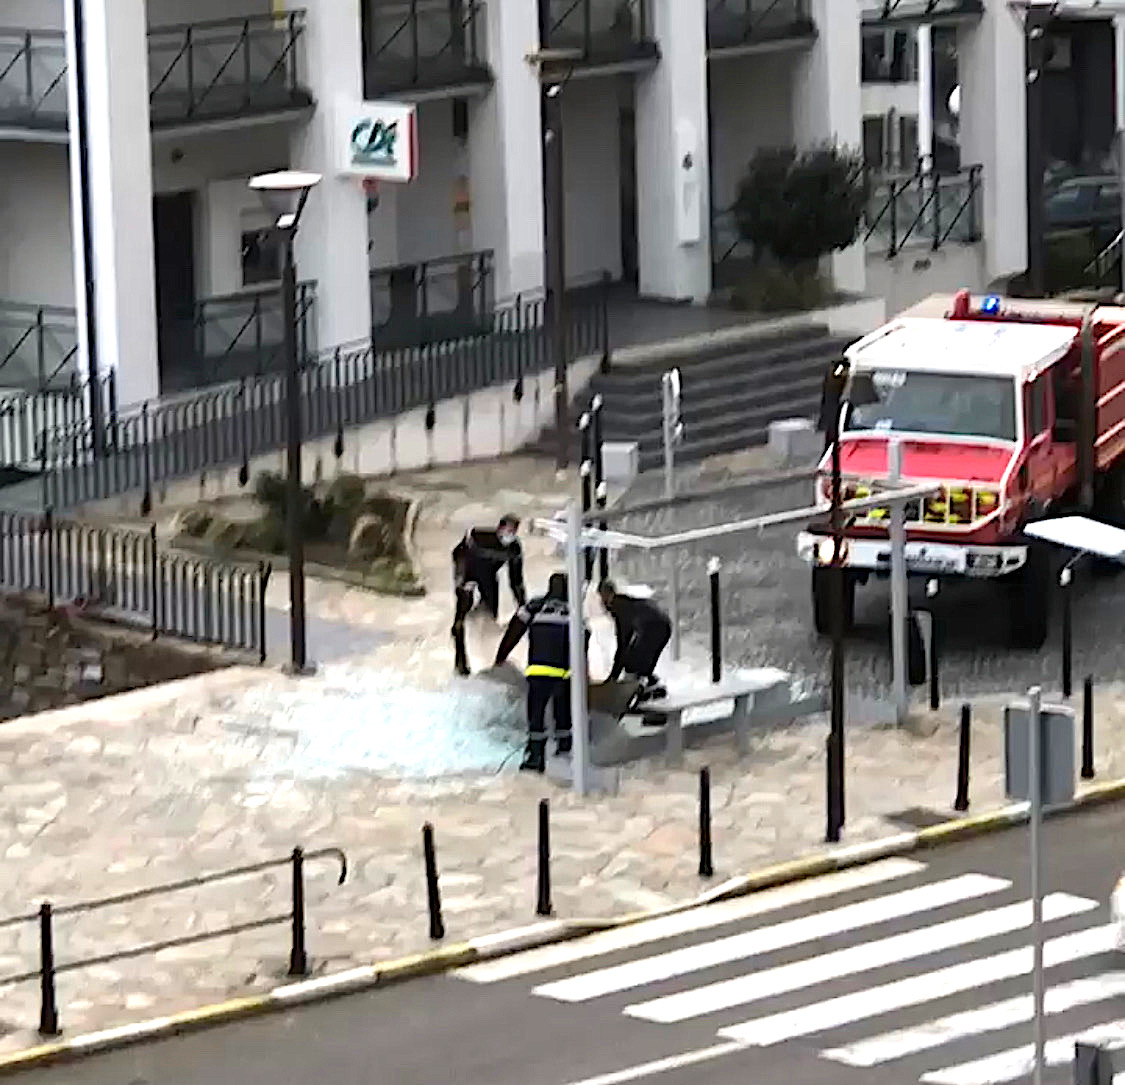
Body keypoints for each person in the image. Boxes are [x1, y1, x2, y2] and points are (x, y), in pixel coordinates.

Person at [494, 572, 574, 774]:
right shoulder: (574, 612)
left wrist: (501, 656)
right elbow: (583, 643)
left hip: (538, 671)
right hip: (563, 674)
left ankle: (535, 757)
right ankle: (566, 755)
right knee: (563, 713)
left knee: (536, 714)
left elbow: (515, 629)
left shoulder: (534, 606)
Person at [451, 514, 526, 676]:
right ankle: (460, 661)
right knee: (461, 617)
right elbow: (460, 557)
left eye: (514, 531)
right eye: (508, 530)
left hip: (490, 576)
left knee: (490, 615)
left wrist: (522, 604)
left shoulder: (513, 549)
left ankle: (485, 657)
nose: (510, 534)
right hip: (469, 573)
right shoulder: (479, 538)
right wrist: (461, 581)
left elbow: (516, 580)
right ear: (500, 528)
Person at [598, 580, 671, 699]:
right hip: (661, 625)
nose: (602, 601)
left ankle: (644, 689)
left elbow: (623, 642)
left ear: (609, 594)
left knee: (633, 662)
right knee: (638, 662)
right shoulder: (624, 603)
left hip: (655, 626)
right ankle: (649, 686)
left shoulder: (620, 607)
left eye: (603, 596)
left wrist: (613, 677)